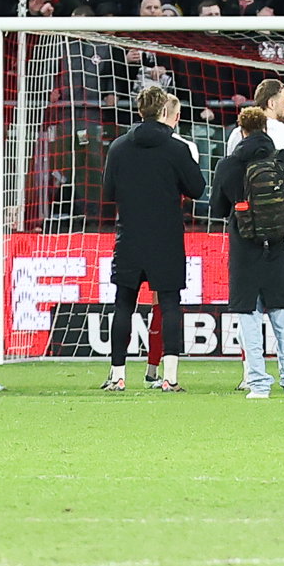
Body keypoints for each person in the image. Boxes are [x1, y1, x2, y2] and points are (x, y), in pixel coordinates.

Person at [100, 83, 204, 390]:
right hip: (166, 237)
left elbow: (108, 192)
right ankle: (169, 377)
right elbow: (197, 189)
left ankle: (117, 375)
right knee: (170, 304)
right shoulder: (177, 148)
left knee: (123, 303)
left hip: (129, 236)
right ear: (163, 110)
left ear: (139, 110)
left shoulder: (119, 147)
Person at [212, 104, 284, 398]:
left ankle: (258, 385)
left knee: (250, 324)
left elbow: (217, 209)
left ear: (241, 131)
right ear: (265, 129)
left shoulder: (228, 165)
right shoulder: (283, 158)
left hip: (245, 251)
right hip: (281, 249)